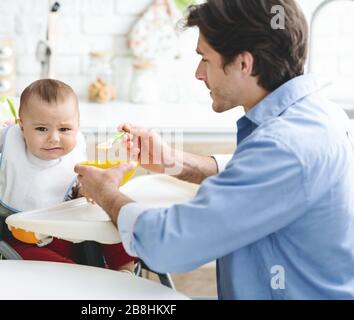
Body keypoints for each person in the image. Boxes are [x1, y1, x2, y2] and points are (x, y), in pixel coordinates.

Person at [74, 0, 354, 299]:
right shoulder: (317, 114)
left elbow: (168, 244)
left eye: (204, 59)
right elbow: (260, 179)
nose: (198, 73)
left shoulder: (283, 147)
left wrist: (106, 192)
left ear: (244, 64)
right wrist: (176, 162)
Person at [0, 79, 135, 272]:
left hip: (68, 233)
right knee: (34, 259)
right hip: (22, 236)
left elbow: (76, 191)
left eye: (64, 129)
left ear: (77, 127)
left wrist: (88, 191)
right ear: (22, 127)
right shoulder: (12, 138)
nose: (54, 137)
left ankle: (125, 270)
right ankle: (80, 276)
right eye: (42, 129)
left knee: (110, 218)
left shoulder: (75, 153)